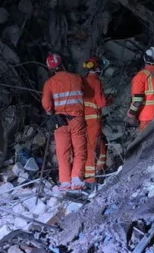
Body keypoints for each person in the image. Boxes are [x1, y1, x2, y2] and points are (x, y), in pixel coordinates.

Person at [41, 53, 87, 191]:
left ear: (49, 68)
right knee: (79, 150)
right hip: (77, 119)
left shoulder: (49, 83)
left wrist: (51, 113)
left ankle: (65, 183)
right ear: (62, 64)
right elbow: (87, 93)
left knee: (62, 153)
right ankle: (77, 180)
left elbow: (46, 104)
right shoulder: (76, 78)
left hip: (59, 121)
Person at [82, 56, 113, 183]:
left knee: (101, 144)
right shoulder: (96, 81)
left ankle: (100, 169)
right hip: (93, 119)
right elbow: (101, 103)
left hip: (83, 119)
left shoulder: (83, 81)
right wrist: (110, 99)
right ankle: (91, 179)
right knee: (92, 147)